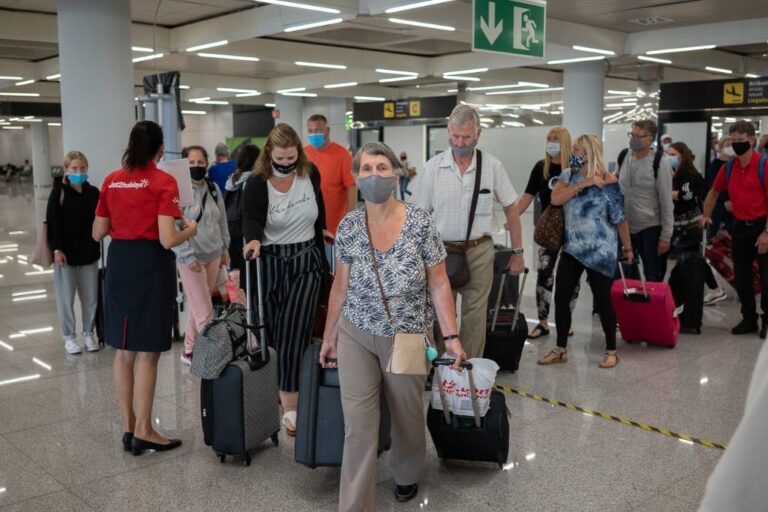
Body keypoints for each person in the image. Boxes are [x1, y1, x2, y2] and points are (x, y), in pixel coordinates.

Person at [318, 141, 467, 510]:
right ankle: (353, 505)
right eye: (366, 169)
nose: (374, 176)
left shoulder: (419, 222)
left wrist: (450, 337)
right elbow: (341, 284)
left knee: (406, 415)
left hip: (408, 336)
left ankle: (406, 473)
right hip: (356, 333)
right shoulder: (349, 224)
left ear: (396, 174)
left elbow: (438, 282)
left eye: (381, 168)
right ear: (356, 176)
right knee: (359, 427)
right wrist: (330, 335)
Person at [93, 120, 197, 455]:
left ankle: (128, 427)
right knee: (148, 353)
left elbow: (97, 233)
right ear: (159, 148)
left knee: (124, 352)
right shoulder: (164, 181)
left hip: (119, 263)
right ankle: (145, 429)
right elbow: (168, 239)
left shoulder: (112, 180)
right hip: (150, 266)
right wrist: (190, 230)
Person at [415, 104, 524, 358]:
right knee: (442, 313)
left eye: (465, 137)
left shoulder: (492, 166)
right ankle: (442, 369)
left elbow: (511, 208)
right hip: (440, 253)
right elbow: (418, 216)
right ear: (448, 133)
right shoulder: (433, 168)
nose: (460, 142)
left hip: (479, 251)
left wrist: (518, 251)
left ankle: (468, 369)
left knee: (475, 316)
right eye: (454, 136)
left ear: (478, 134)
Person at [242, 123, 326, 436]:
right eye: (281, 158)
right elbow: (250, 218)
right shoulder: (257, 182)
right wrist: (251, 239)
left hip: (306, 260)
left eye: (291, 157)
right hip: (270, 261)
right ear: (269, 154)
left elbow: (320, 210)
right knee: (273, 334)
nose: (286, 163)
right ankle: (276, 393)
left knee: (295, 331)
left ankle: (291, 405)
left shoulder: (310, 174)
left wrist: (323, 236)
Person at [537, 134, 633, 369]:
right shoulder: (568, 175)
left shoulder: (609, 180)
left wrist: (628, 247)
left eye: (578, 149)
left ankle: (612, 350)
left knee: (603, 302)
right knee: (561, 297)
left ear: (589, 152)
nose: (573, 153)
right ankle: (560, 349)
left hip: (601, 252)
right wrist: (583, 184)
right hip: (573, 249)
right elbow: (555, 199)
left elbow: (620, 219)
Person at [701, 120, 768, 338]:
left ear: (751, 139)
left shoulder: (763, 165)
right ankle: (749, 318)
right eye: (733, 140)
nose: (736, 144)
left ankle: (766, 317)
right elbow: (713, 193)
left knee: (766, 275)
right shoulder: (729, 167)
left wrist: (767, 232)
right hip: (739, 226)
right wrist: (707, 216)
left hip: (762, 225)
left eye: (740, 141)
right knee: (742, 275)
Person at [517, 126, 579, 339]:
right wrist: (513, 217)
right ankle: (542, 322)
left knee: (570, 278)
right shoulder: (540, 167)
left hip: (573, 230)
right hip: (548, 230)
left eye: (556, 139)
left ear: (566, 143)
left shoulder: (574, 168)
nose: (551, 143)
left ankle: (566, 321)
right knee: (544, 274)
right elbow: (527, 195)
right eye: (549, 139)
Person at [175, 145, 230, 365]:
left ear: (207, 164)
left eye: (200, 163)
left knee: (200, 304)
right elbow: (174, 227)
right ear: (183, 166)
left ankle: (189, 349)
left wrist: (225, 250)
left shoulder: (213, 188)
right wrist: (187, 256)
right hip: (192, 258)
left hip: (214, 255)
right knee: (204, 310)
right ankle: (214, 355)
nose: (196, 167)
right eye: (191, 163)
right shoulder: (178, 192)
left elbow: (222, 222)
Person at [47, 150, 100, 354]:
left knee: (90, 298)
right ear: (67, 170)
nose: (79, 171)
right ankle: (69, 337)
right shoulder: (58, 193)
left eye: (82, 168)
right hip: (65, 257)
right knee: (66, 299)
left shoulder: (93, 193)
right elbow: (53, 224)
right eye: (74, 168)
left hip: (89, 254)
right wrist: (57, 249)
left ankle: (89, 334)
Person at [666, 142, 726, 308]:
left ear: (682, 155)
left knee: (693, 257)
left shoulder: (686, 173)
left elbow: (688, 195)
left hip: (689, 224)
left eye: (673, 154)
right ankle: (713, 289)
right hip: (683, 222)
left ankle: (714, 289)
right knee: (693, 257)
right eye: (668, 154)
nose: (669, 157)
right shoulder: (677, 172)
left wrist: (668, 193)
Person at [617, 119, 674, 282]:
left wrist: (666, 236)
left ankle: (651, 308)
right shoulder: (624, 156)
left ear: (650, 139)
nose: (633, 139)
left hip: (649, 228)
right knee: (623, 275)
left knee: (652, 276)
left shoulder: (659, 163)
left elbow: (666, 202)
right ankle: (629, 307)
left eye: (638, 136)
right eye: (631, 134)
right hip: (625, 227)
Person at [305, 114, 357, 235]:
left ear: (327, 131)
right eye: (310, 131)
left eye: (318, 130)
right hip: (308, 226)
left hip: (334, 226)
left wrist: (350, 217)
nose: (314, 134)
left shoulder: (343, 155)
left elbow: (351, 186)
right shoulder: (303, 154)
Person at [225, 143, 260, 278]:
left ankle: (237, 298)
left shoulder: (232, 180)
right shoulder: (255, 181)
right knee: (250, 274)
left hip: (231, 233)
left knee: (236, 273)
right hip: (247, 234)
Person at [705, 135, 735, 243]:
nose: (731, 147)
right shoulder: (715, 164)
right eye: (728, 145)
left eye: (732, 145)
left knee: (732, 231)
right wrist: (725, 200)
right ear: (721, 146)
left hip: (731, 202)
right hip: (718, 202)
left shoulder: (733, 164)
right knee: (713, 230)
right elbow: (714, 186)